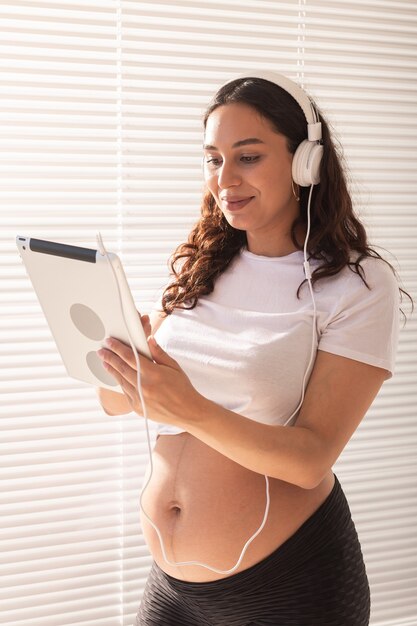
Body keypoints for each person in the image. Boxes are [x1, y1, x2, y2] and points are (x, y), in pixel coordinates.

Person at [96, 72, 406, 626]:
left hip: (290, 587)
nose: (225, 178)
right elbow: (115, 403)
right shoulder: (203, 264)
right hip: (171, 589)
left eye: (248, 157)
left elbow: (311, 459)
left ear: (305, 162)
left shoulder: (355, 284)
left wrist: (185, 405)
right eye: (213, 158)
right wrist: (130, 367)